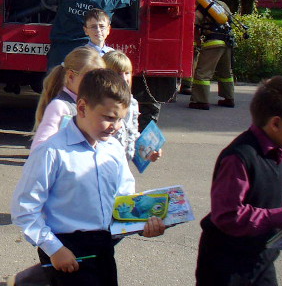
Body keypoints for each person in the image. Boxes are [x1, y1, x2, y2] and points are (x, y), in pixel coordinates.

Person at [12, 68, 166, 286]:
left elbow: (124, 197)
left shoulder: (113, 148)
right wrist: (54, 249)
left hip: (104, 245)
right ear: (82, 107)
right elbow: (25, 208)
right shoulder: (52, 151)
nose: (116, 127)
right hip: (65, 246)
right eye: (109, 118)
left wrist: (142, 225)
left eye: (121, 119)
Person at [195, 76, 282, 285]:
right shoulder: (239, 157)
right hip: (226, 266)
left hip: (260, 259)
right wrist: (279, 217)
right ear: (276, 124)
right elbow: (228, 215)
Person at [31, 46, 105, 149]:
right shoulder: (60, 106)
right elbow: (39, 148)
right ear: (71, 76)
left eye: (100, 78)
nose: (96, 84)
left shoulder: (92, 104)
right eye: (89, 78)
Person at [103, 50, 161, 165]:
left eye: (127, 73)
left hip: (123, 164)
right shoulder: (100, 104)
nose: (124, 78)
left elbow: (132, 134)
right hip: (103, 163)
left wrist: (148, 151)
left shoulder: (133, 103)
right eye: (118, 73)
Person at [189, 0, 236, 110]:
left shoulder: (201, 9)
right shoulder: (221, 4)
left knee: (202, 73)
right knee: (226, 72)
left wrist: (198, 42)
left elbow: (195, 27)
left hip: (212, 43)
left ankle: (200, 101)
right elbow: (230, 20)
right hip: (227, 42)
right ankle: (229, 98)